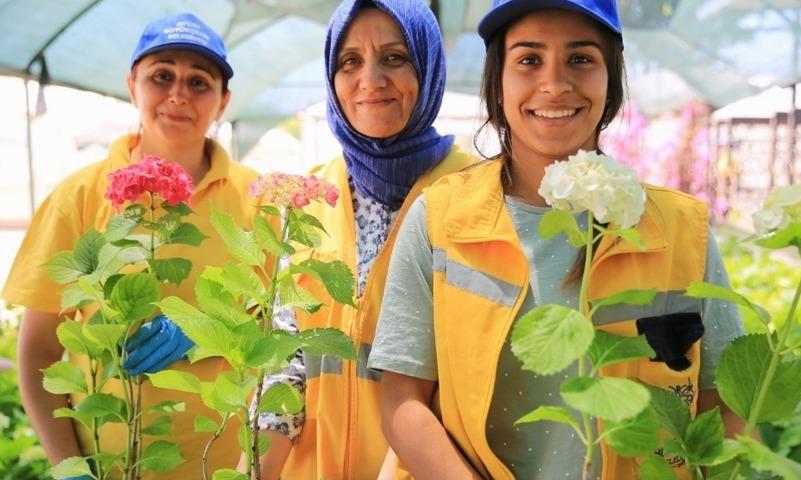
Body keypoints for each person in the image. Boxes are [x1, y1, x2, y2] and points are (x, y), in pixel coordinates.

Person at [368, 0, 748, 478]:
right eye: (528, 59)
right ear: (497, 81)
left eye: (581, 58)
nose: (554, 83)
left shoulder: (677, 228)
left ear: (611, 77)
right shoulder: (439, 219)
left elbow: (727, 403)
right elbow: (402, 403)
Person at [2, 12, 275, 478]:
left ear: (224, 101)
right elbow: (39, 351)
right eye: (161, 76)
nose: (178, 95)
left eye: (199, 82)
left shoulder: (259, 199)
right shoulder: (82, 196)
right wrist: (69, 468)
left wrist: (206, 331)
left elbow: (281, 330)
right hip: (112, 466)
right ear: (133, 85)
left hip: (228, 466)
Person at [250, 1, 474, 478]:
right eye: (349, 61)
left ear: (428, 67)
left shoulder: (476, 195)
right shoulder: (309, 197)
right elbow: (285, 362)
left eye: (394, 57)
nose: (370, 79)